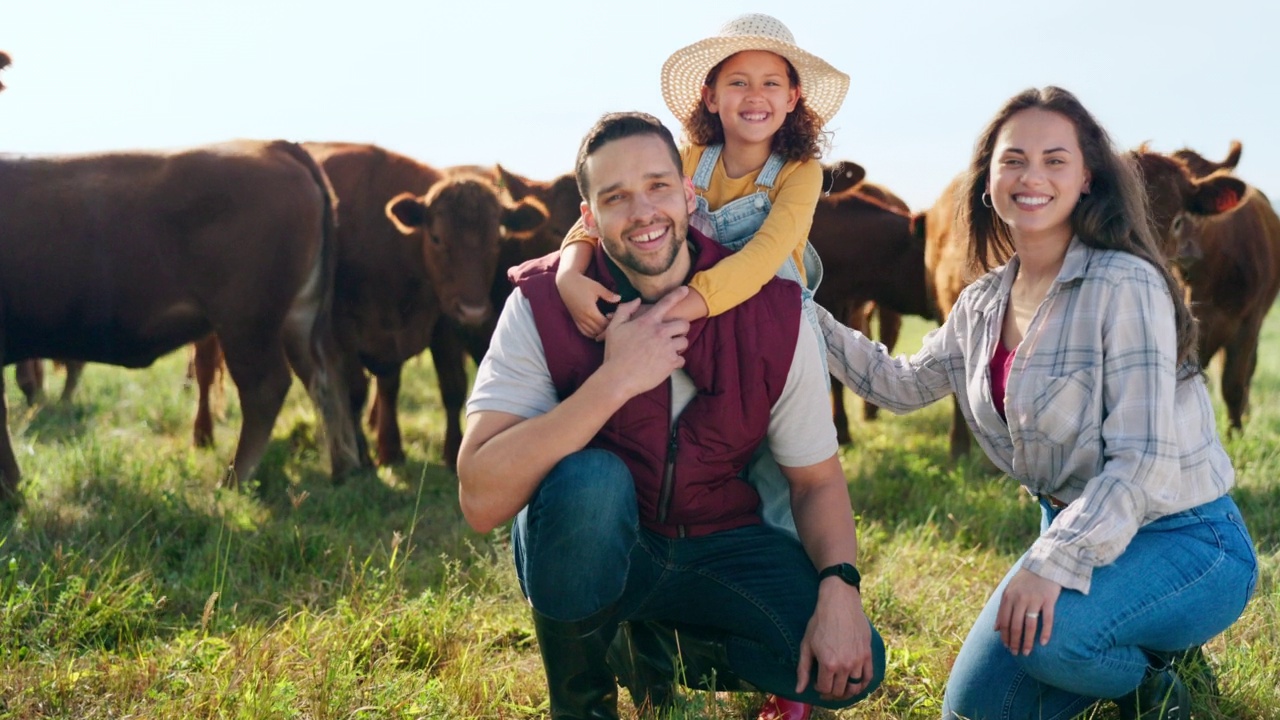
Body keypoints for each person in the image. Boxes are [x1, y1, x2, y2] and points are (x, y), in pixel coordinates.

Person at [817, 86, 1258, 720]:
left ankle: (1156, 677)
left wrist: (1049, 563)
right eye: (1013, 158)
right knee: (973, 710)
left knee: (1055, 644)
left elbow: (1139, 462)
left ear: (1087, 179)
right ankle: (1132, 645)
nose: (1032, 176)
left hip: (1185, 539)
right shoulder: (982, 304)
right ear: (989, 177)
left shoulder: (1125, 284)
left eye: (1056, 160)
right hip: (1074, 533)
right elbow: (899, 383)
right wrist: (799, 312)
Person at [457, 111, 885, 720]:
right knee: (590, 482)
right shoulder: (541, 304)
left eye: (658, 186)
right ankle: (582, 703)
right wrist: (613, 382)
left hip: (717, 544)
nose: (643, 212)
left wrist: (840, 585)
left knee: (854, 665)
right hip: (605, 545)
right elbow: (480, 497)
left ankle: (653, 643)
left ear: (689, 193)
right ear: (588, 218)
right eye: (616, 197)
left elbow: (816, 480)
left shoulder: (773, 311)